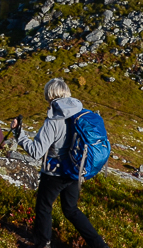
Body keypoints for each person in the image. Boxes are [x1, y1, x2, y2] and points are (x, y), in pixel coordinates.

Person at [11, 78, 108, 248]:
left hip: (54, 173)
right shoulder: (80, 112)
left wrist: (19, 135)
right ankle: (99, 244)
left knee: (43, 208)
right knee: (71, 210)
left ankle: (43, 244)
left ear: (49, 95)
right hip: (75, 171)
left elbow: (36, 152)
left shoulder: (53, 120)